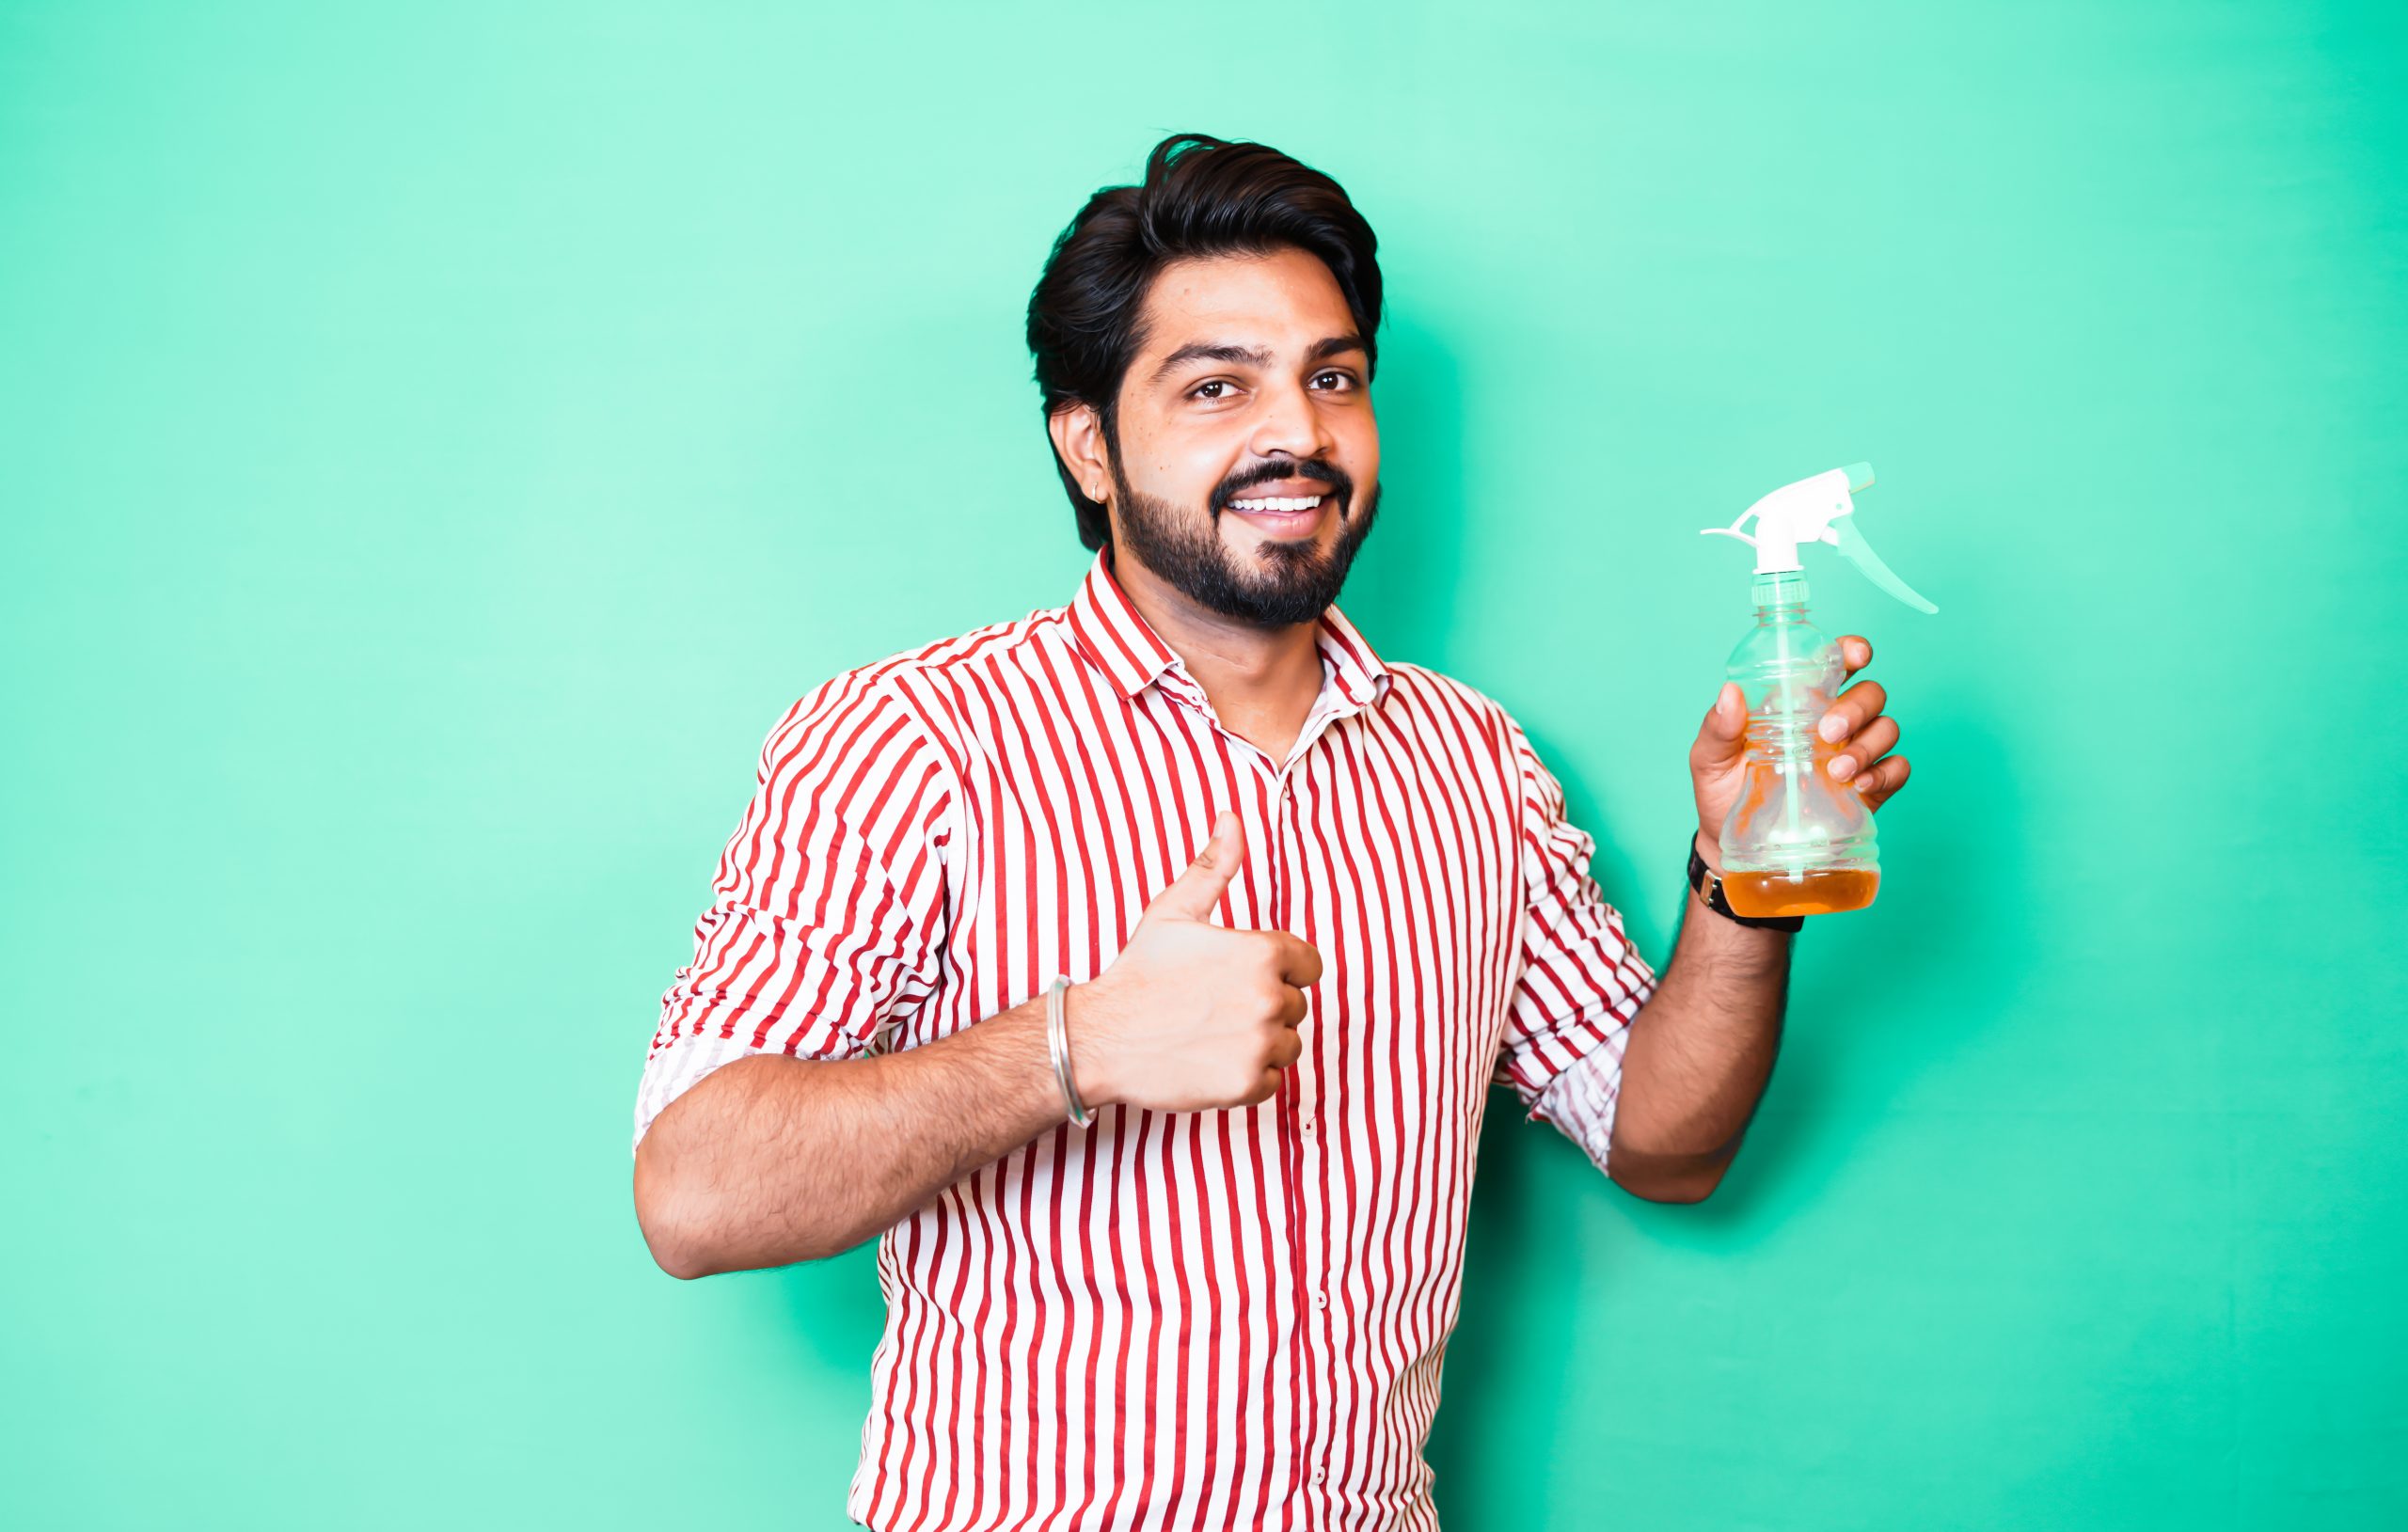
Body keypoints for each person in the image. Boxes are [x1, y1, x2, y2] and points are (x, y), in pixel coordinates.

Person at [629, 132, 1912, 1531]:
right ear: (1090, 444)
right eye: (1215, 385)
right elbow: (694, 1186)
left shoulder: (1472, 761)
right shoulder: (915, 738)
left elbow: (1664, 1140)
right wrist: (1080, 1042)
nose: (1294, 430)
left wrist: (1744, 885)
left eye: (1334, 377)